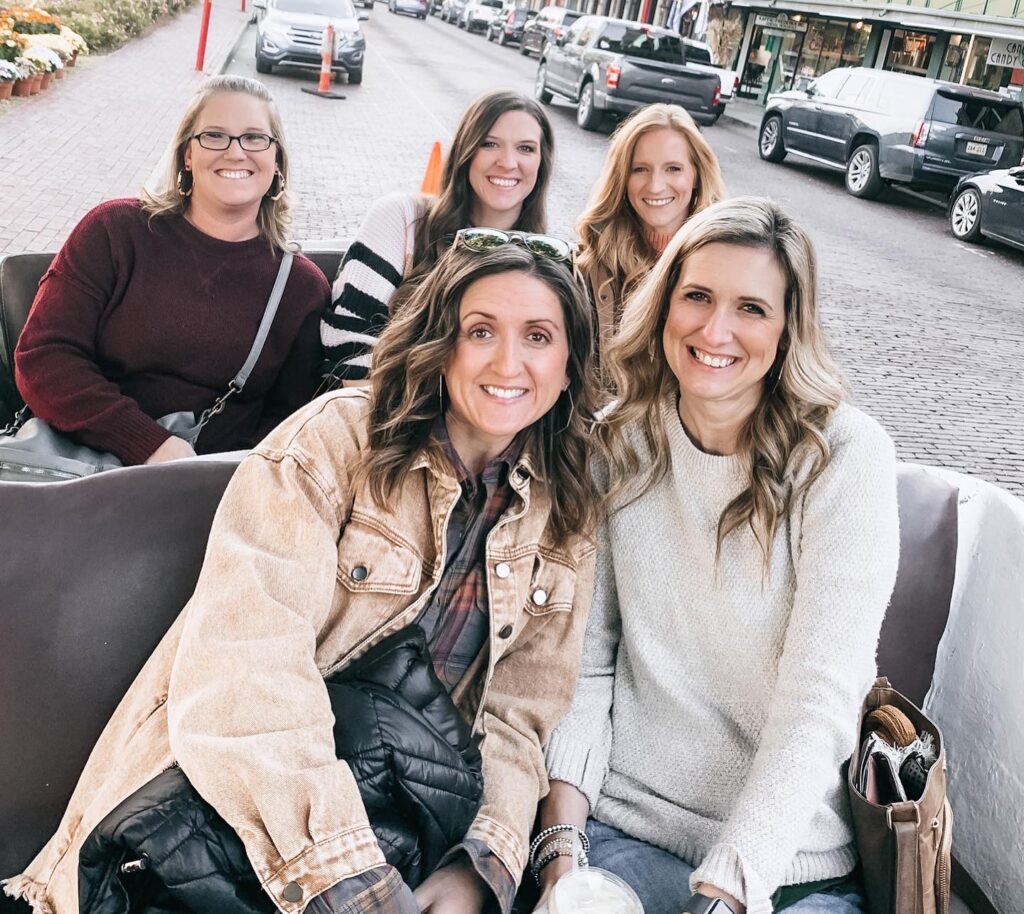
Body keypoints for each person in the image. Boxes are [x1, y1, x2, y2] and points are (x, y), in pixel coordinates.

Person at [5, 238, 602, 914]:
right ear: (441, 341)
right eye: (481, 331)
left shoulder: (565, 510)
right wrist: (344, 875)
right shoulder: (338, 440)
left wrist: (482, 864)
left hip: (412, 828)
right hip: (244, 810)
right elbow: (247, 660)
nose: (507, 362)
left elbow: (519, 716)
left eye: (538, 336)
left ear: (568, 364)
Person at [532, 198, 900, 914]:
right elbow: (586, 665)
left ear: (789, 326)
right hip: (624, 831)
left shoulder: (843, 457)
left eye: (752, 308)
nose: (716, 329)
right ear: (664, 303)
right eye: (696, 296)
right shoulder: (617, 444)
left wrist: (731, 886)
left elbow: (821, 699)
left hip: (787, 864)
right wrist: (560, 852)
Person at [13, 75, 329, 466]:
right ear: (187, 155)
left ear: (276, 160)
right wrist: (150, 444)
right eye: (214, 135)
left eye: (255, 138)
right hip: (75, 475)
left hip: (208, 499)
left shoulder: (301, 289)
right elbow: (43, 357)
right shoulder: (114, 232)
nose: (236, 152)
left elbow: (290, 426)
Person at [320, 89, 554, 384]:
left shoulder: (546, 260)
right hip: (379, 412)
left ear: (541, 164)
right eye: (489, 144)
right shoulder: (402, 219)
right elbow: (348, 350)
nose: (508, 162)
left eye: (526, 148)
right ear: (465, 153)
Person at [575, 103, 725, 345]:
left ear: (697, 175)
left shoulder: (727, 260)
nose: (655, 186)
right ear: (622, 178)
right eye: (640, 169)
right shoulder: (592, 260)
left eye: (673, 169)